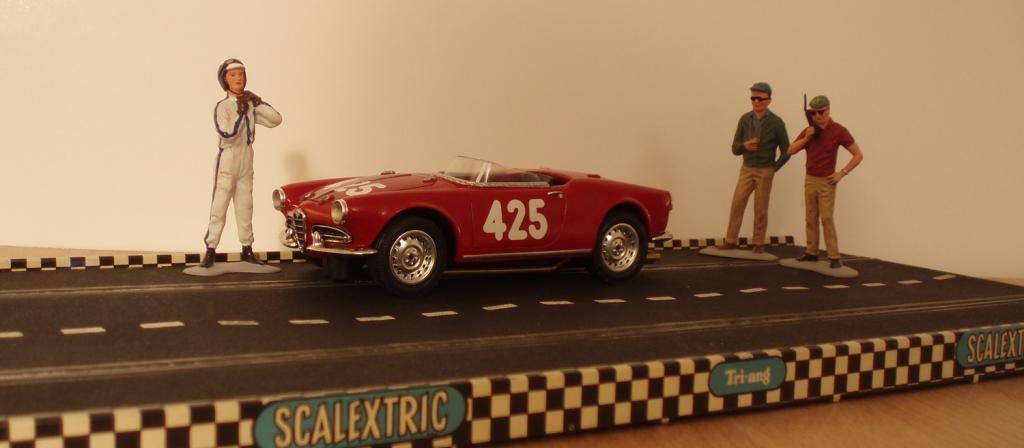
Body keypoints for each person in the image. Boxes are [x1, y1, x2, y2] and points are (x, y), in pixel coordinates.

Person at [201, 59, 283, 268]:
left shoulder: (249, 104)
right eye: (233, 75)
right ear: (225, 79)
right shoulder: (223, 106)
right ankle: (210, 249)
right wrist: (240, 111)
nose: (238, 78)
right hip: (228, 158)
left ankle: (247, 248)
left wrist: (257, 102)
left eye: (241, 74)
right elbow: (227, 134)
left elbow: (275, 119)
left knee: (245, 204)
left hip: (246, 157)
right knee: (220, 204)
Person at [786, 95, 863, 268]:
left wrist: (842, 173)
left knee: (826, 218)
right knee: (810, 217)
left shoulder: (838, 131)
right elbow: (790, 150)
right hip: (810, 179)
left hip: (827, 181)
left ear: (828, 110)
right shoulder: (809, 130)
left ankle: (834, 257)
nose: (817, 116)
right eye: (813, 113)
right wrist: (807, 138)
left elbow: (858, 155)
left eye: (820, 112)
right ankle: (811, 252)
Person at [717, 82, 790, 254]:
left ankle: (758, 243)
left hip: (765, 170)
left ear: (769, 100)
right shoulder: (745, 119)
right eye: (753, 98)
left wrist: (774, 167)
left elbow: (787, 150)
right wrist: (745, 145)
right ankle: (731, 240)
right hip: (747, 169)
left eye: (760, 99)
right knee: (737, 203)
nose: (756, 102)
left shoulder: (777, 123)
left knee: (761, 208)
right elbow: (735, 148)